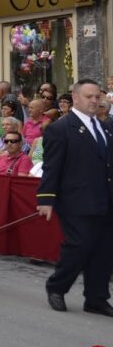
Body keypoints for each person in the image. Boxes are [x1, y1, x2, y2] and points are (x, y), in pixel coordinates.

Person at [37, 79, 113, 317]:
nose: (94, 101)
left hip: (105, 199)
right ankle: (57, 287)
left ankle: (96, 298)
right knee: (79, 245)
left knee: (104, 249)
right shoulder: (60, 129)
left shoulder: (106, 127)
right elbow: (52, 166)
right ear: (75, 98)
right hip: (75, 199)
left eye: (97, 97)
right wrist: (46, 198)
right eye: (89, 96)